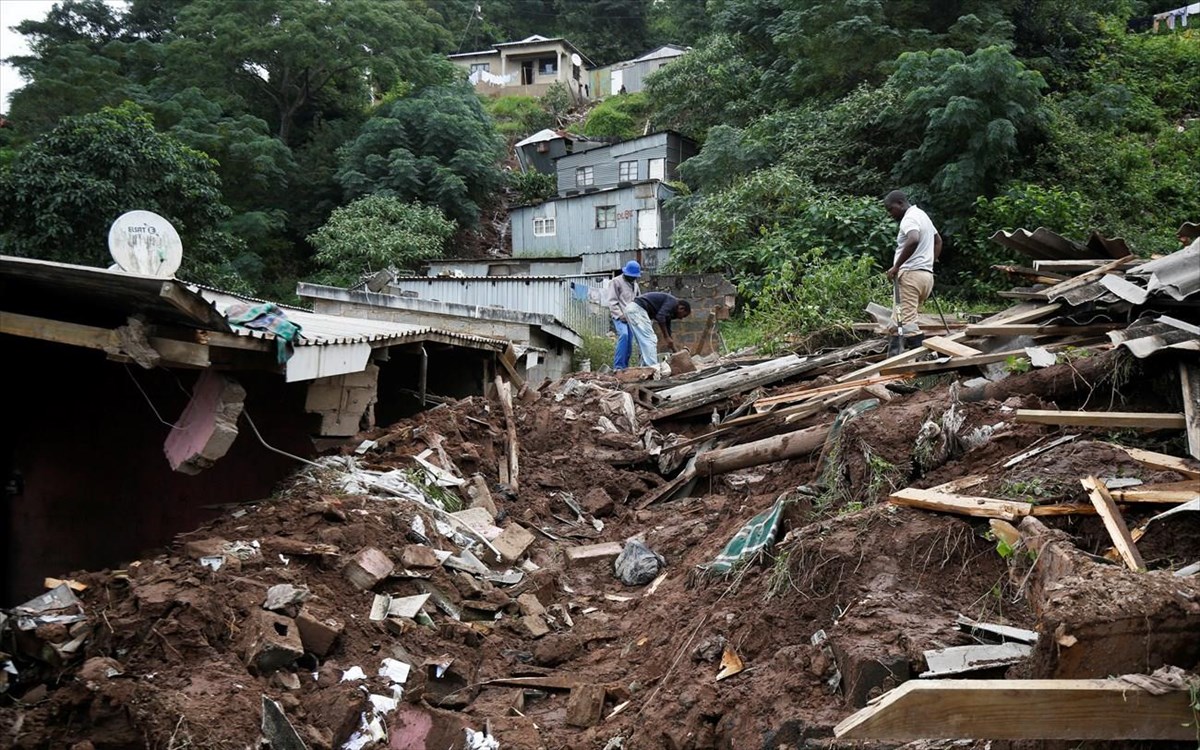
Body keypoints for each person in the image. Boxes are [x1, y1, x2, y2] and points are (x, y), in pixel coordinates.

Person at [883, 190, 942, 355]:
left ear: (900, 203)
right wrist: (930, 262)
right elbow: (938, 241)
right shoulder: (923, 215)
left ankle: (927, 363)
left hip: (910, 278)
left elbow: (913, 239)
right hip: (925, 278)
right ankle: (894, 361)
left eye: (891, 209)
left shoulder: (909, 218)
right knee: (898, 321)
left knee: (908, 324)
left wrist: (896, 266)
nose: (890, 214)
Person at [625, 291, 691, 366]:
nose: (681, 318)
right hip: (638, 309)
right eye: (684, 315)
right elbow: (660, 317)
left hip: (633, 309)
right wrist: (666, 337)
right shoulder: (673, 302)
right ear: (681, 308)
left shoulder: (670, 309)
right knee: (650, 340)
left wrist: (670, 341)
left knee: (643, 343)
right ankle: (653, 368)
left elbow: (667, 324)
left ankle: (644, 368)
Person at [603, 260, 642, 370]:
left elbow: (639, 300)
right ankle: (618, 366)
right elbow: (612, 301)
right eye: (632, 276)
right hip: (619, 316)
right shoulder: (616, 282)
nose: (633, 278)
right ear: (626, 274)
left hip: (631, 317)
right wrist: (620, 315)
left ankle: (625, 367)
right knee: (624, 335)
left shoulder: (635, 285)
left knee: (630, 342)